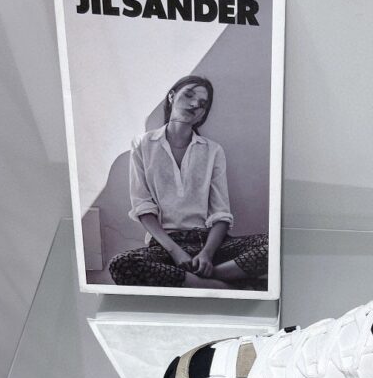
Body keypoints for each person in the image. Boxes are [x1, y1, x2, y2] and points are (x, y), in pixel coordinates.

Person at [108, 75, 268, 289]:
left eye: (202, 104)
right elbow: (143, 207)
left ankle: (205, 279)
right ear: (172, 97)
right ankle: (224, 287)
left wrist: (207, 254)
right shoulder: (142, 144)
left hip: (211, 244)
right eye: (189, 95)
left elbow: (221, 214)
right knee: (121, 264)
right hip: (165, 247)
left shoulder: (212, 150)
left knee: (275, 245)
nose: (194, 104)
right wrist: (176, 252)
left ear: (203, 114)